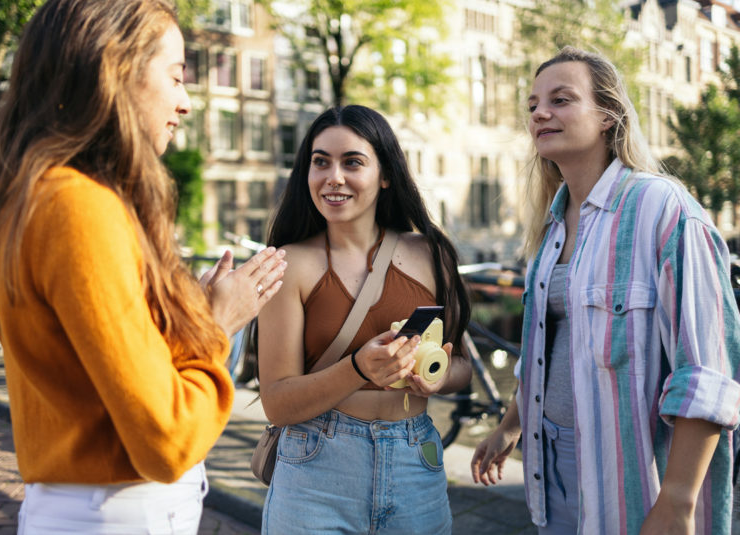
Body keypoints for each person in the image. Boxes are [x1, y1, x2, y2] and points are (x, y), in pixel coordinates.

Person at [0, 0, 286, 532]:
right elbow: (166, 439)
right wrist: (219, 326)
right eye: (176, 77)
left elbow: (96, 377)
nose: (186, 102)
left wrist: (183, 317)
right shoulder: (78, 208)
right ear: (116, 69)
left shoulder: (41, 196)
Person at [470, 46, 740, 535]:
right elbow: (549, 345)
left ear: (608, 116)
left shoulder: (663, 210)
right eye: (532, 105)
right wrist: (512, 424)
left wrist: (678, 501)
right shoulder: (552, 225)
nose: (540, 113)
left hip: (630, 471)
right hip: (546, 457)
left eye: (561, 99)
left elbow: (706, 370)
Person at [256, 105, 472, 534]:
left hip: (415, 462)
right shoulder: (288, 264)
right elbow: (277, 403)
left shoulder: (432, 253)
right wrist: (357, 368)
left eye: (352, 162)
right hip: (316, 467)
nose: (333, 177)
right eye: (320, 162)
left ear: (385, 174)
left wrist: (435, 379)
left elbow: (462, 365)